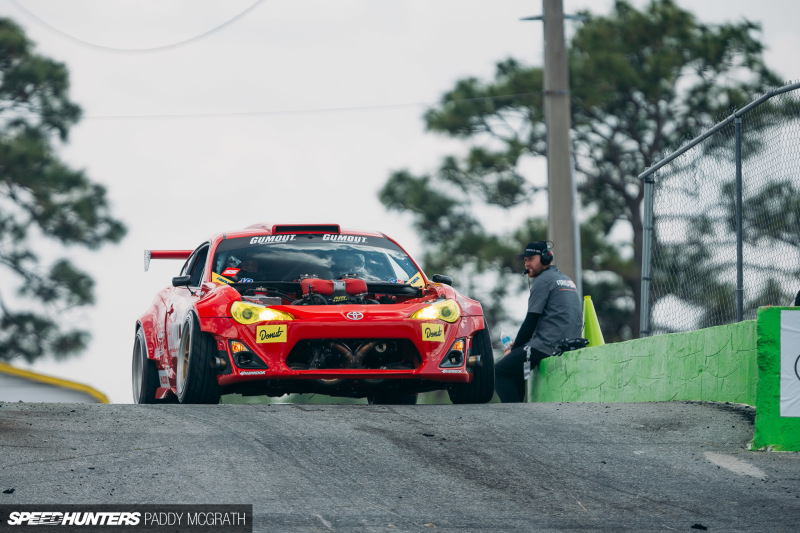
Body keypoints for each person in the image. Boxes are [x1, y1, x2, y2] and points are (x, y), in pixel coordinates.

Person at [495, 241, 582, 403]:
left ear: (545, 257)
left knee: (499, 372)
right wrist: (519, 347)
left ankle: (515, 417)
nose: (526, 264)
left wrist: (515, 350)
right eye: (525, 260)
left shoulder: (543, 281)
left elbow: (531, 321)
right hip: (567, 344)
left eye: (530, 259)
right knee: (515, 369)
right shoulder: (566, 280)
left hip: (547, 346)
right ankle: (518, 413)